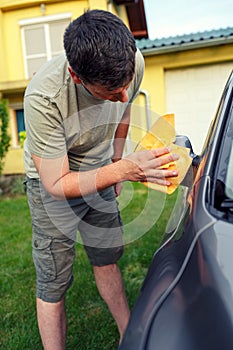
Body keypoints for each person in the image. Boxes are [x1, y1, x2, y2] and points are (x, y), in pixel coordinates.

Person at [23, 9, 179, 350]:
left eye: (125, 85)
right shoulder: (44, 98)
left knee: (106, 256)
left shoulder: (131, 63)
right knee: (54, 278)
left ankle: (130, 334)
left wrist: (115, 160)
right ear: (76, 77)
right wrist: (122, 171)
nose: (123, 96)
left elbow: (126, 112)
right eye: (111, 90)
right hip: (51, 180)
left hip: (101, 164)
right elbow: (56, 183)